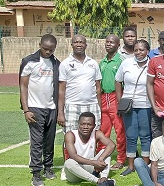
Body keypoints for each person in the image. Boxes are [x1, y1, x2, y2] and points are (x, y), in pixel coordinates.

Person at [19, 34, 60, 186]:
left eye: (51, 49)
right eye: (45, 49)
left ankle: (48, 167)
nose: (48, 52)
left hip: (52, 108)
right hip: (34, 108)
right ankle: (36, 173)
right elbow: (23, 86)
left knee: (49, 141)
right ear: (39, 45)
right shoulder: (29, 62)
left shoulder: (56, 64)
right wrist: (26, 109)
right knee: (37, 142)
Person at [115, 39, 152, 176]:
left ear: (147, 51)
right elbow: (118, 81)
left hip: (146, 105)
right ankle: (131, 166)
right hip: (128, 106)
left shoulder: (152, 64)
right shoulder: (126, 63)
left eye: (141, 50)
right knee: (130, 136)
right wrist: (120, 102)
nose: (138, 52)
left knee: (145, 136)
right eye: (136, 50)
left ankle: (145, 166)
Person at [58, 34, 102, 133]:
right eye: (76, 42)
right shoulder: (65, 64)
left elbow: (98, 88)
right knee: (71, 138)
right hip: (72, 105)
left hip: (92, 105)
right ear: (71, 45)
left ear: (86, 45)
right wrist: (60, 112)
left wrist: (99, 108)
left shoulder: (93, 63)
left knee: (92, 137)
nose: (79, 44)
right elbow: (61, 90)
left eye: (81, 42)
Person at [62, 112, 116, 186]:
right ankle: (98, 181)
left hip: (91, 168)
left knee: (106, 152)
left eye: (89, 124)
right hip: (75, 173)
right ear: (78, 125)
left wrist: (101, 158)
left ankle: (103, 178)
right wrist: (94, 163)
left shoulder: (97, 133)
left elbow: (111, 145)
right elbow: (73, 156)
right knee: (69, 162)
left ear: (94, 126)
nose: (85, 127)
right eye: (82, 124)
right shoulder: (70, 135)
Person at [99, 34, 126, 170]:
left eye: (112, 42)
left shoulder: (121, 61)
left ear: (118, 45)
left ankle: (121, 159)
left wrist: (121, 101)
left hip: (116, 97)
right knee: (103, 131)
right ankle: (102, 156)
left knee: (120, 130)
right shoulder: (102, 62)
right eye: (107, 42)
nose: (109, 44)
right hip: (104, 98)